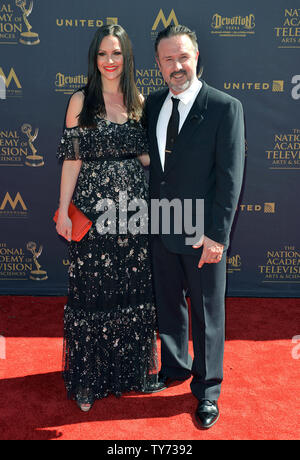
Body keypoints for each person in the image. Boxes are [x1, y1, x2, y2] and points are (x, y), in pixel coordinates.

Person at [56, 24, 164, 412]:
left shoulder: (137, 100)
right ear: (94, 58)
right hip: (94, 215)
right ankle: (88, 381)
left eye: (116, 53)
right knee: (93, 294)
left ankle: (134, 374)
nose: (110, 61)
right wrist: (63, 211)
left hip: (133, 215)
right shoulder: (81, 100)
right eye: (103, 54)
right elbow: (72, 160)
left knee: (133, 292)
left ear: (127, 57)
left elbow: (146, 158)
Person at [143, 25, 245, 429]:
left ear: (197, 56)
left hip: (202, 232)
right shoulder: (152, 104)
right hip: (161, 227)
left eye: (183, 56)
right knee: (168, 304)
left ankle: (207, 390)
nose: (177, 65)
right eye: (168, 59)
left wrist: (218, 235)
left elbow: (231, 177)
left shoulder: (224, 107)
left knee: (206, 313)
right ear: (158, 65)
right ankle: (175, 367)